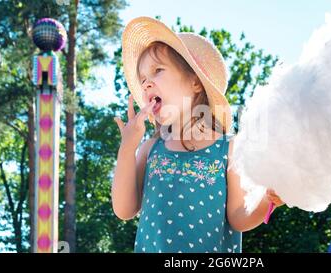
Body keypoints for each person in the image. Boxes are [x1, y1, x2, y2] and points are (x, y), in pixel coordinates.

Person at [112, 16, 284, 253]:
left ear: (195, 82)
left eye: (157, 71)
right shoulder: (151, 148)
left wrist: (266, 200)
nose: (146, 84)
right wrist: (127, 148)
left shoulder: (228, 148)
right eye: (142, 80)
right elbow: (124, 209)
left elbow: (238, 217)